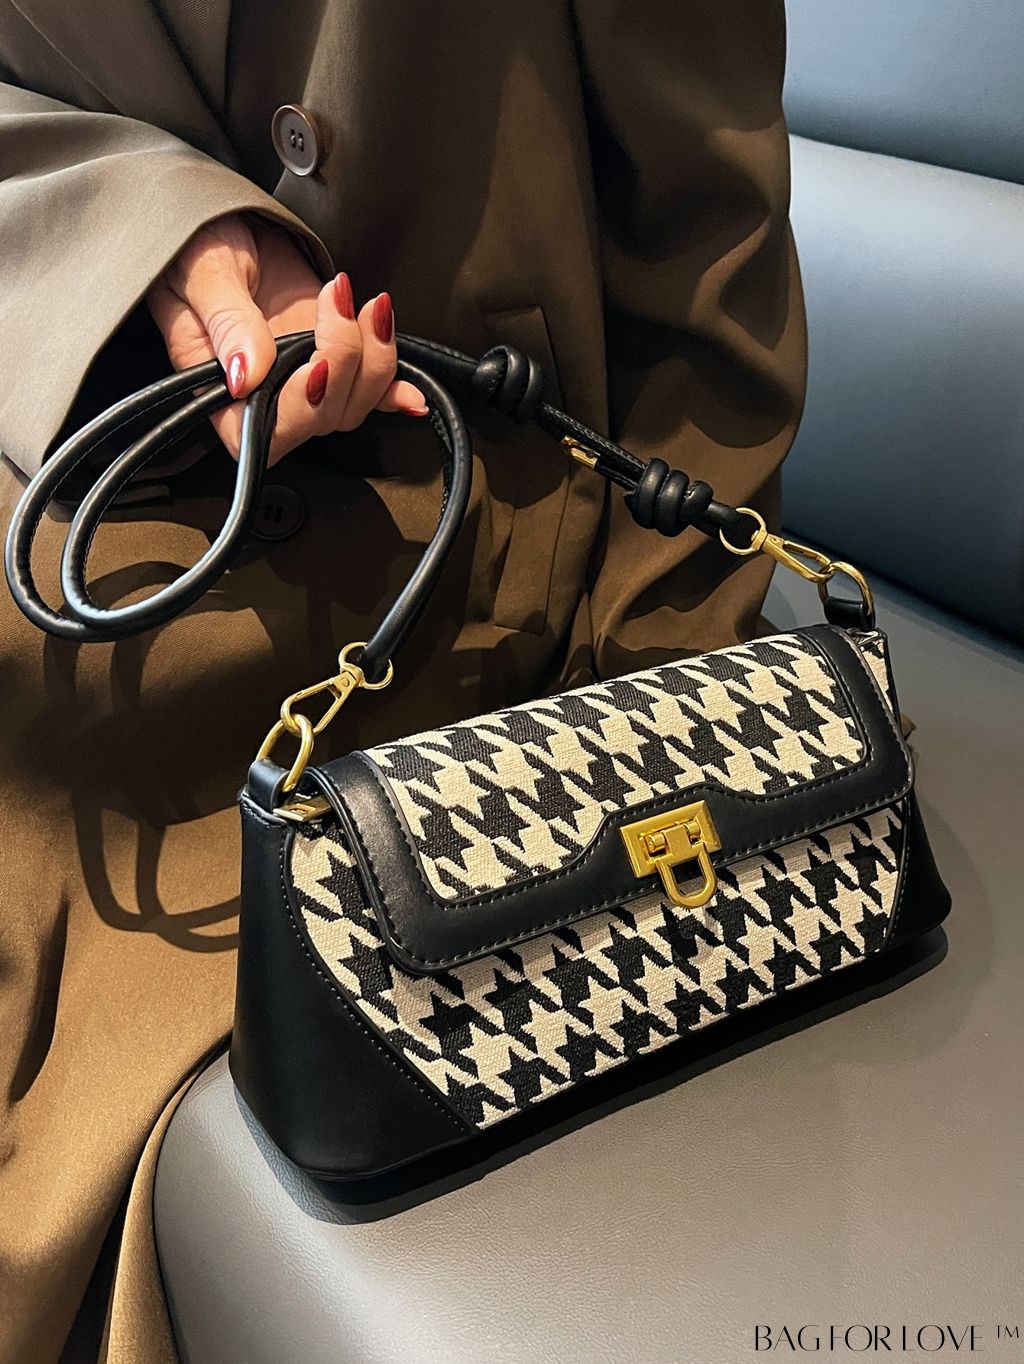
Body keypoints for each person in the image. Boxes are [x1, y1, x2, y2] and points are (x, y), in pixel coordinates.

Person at [0, 3, 806, 1360]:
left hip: (482, 522)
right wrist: (153, 229)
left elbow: (706, 235)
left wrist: (646, 731)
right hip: (111, 416)